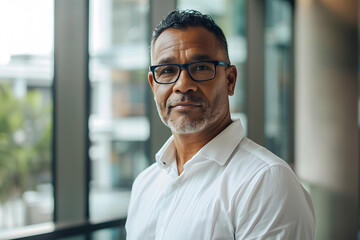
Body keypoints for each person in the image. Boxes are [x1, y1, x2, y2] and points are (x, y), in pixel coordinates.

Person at [126, 9, 315, 240]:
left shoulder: (265, 181)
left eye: (201, 67)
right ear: (153, 85)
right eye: (167, 71)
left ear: (230, 80)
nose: (183, 85)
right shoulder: (145, 184)